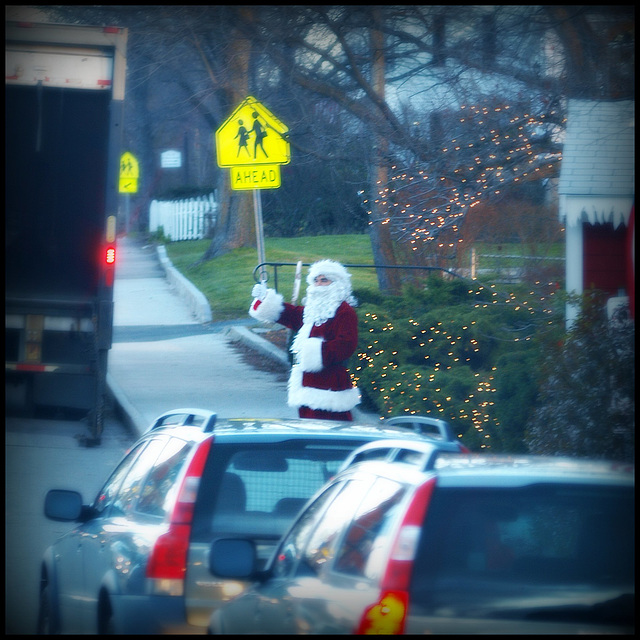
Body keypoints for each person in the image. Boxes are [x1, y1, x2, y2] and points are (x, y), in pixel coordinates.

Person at [249, 259, 360, 421]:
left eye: (324, 280)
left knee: (332, 429)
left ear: (337, 283)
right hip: (307, 383)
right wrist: (265, 298)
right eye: (316, 280)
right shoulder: (313, 309)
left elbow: (346, 345)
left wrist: (312, 353)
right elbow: (292, 314)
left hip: (331, 383)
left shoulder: (345, 311)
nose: (319, 284)